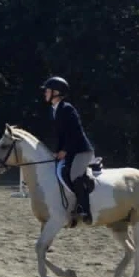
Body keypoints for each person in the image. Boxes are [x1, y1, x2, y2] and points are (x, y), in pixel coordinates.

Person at [43, 76, 95, 224]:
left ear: (56, 92)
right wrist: (56, 151)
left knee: (73, 175)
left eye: (47, 91)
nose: (45, 93)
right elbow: (60, 135)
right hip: (70, 151)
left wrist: (65, 150)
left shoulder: (67, 108)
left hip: (81, 151)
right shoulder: (54, 110)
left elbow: (75, 133)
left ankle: (84, 209)